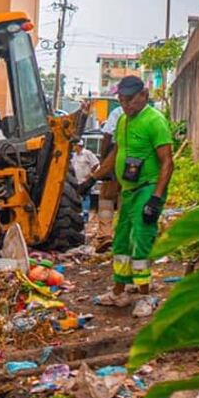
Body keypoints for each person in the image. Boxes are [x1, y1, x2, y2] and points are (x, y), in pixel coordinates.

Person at [85, 76, 174, 315]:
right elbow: (116, 154)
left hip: (148, 187)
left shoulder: (155, 121)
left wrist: (156, 198)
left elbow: (167, 162)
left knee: (141, 241)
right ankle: (119, 292)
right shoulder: (123, 121)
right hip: (129, 190)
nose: (126, 105)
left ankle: (146, 296)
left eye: (131, 100)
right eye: (122, 101)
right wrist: (92, 179)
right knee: (122, 240)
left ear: (143, 96)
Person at [70, 140, 100, 223]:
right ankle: (79, 214)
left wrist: (90, 174)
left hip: (85, 180)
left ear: (79, 145)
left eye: (75, 145)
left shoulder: (87, 153)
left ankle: (85, 216)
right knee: (77, 197)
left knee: (85, 196)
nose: (73, 146)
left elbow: (96, 163)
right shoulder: (74, 155)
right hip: (76, 180)